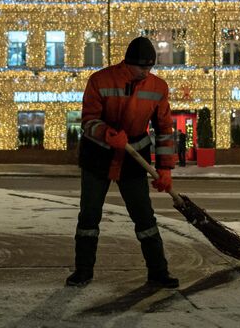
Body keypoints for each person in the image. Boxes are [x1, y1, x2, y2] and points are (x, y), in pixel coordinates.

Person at [67, 37, 179, 289]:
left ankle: (158, 271)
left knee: (144, 217)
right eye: (141, 67)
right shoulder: (100, 80)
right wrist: (106, 133)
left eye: (150, 67)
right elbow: (88, 120)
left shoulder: (158, 87)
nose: (145, 72)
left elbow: (164, 130)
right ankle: (83, 271)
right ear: (128, 63)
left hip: (133, 158)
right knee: (89, 215)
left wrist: (164, 168)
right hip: (98, 156)